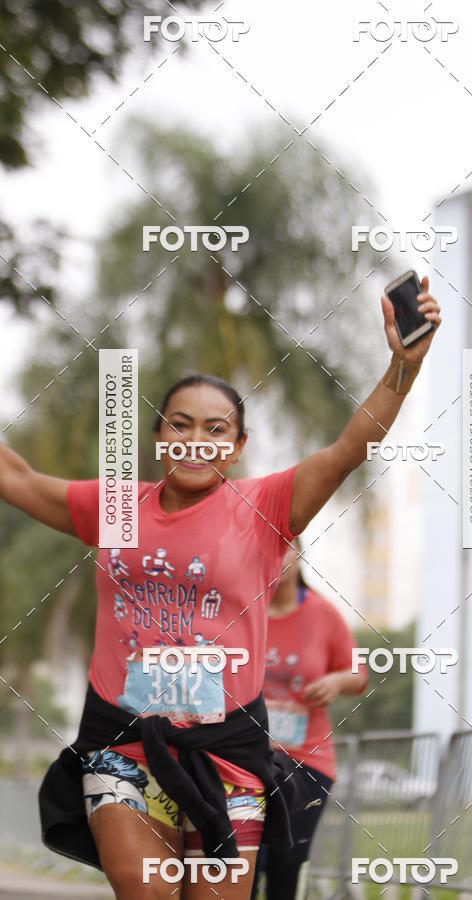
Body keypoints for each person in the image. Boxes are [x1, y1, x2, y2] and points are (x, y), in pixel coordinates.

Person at [0, 278, 440, 899]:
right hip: (124, 742)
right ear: (158, 436)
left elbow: (349, 448)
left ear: (237, 447)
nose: (195, 440)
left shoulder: (265, 508)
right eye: (180, 425)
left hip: (228, 748)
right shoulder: (117, 508)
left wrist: (403, 367)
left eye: (215, 429)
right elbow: (15, 478)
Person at [251, 538, 367, 900]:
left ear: (299, 554)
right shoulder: (244, 612)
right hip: (246, 761)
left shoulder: (323, 614)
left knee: (287, 862)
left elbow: (358, 675)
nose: (279, 556)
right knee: (247, 861)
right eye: (271, 547)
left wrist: (335, 681)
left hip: (306, 763)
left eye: (286, 547)